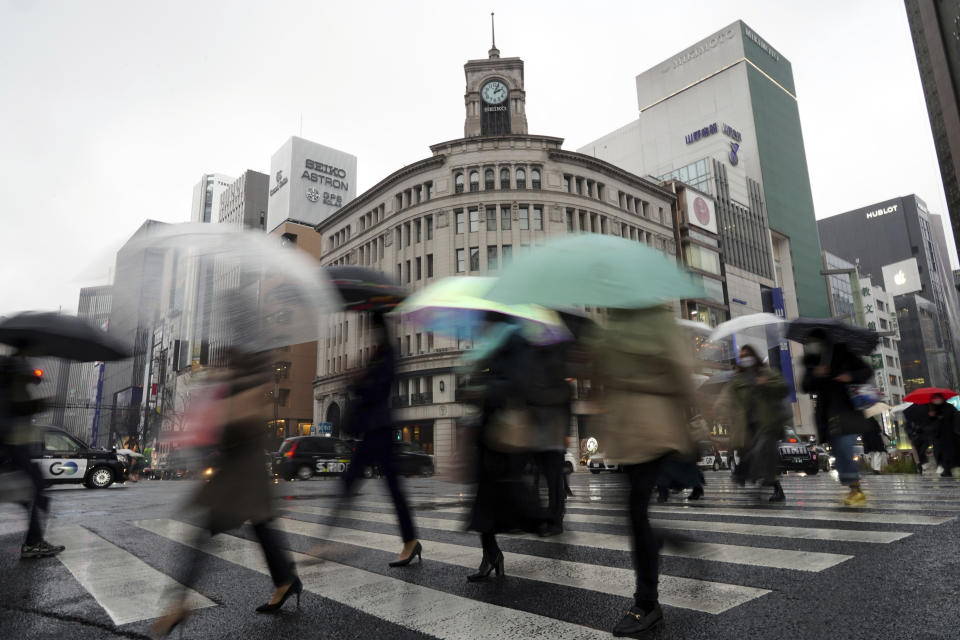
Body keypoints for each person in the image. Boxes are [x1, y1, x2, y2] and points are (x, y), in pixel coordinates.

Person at [151, 349, 300, 638]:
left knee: (206, 530)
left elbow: (242, 424)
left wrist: (221, 400)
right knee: (260, 526)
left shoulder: (251, 384)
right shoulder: (233, 383)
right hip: (237, 470)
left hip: (241, 474)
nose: (220, 364)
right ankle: (285, 579)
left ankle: (178, 602)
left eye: (226, 360)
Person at [589, 306, 697, 637]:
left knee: (635, 512)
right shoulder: (612, 326)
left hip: (654, 430)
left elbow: (681, 374)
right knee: (631, 515)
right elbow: (602, 376)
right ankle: (660, 540)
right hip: (626, 433)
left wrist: (635, 381)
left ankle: (647, 603)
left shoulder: (658, 322)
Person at [465, 313, 551, 582]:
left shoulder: (515, 340)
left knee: (503, 492)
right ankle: (492, 554)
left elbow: (517, 383)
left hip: (505, 430)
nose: (481, 326)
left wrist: (484, 389)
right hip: (490, 430)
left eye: (484, 321)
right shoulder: (491, 345)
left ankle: (539, 520)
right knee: (485, 498)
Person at [330, 311, 421, 566]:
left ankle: (410, 541)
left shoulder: (388, 353)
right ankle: (330, 536)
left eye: (372, 326)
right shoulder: (378, 354)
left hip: (378, 429)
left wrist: (359, 380)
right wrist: (359, 376)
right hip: (372, 430)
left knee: (387, 487)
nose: (369, 331)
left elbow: (378, 389)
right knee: (355, 481)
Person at [0, 355, 65, 560]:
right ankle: (34, 543)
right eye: (30, 376)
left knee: (33, 492)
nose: (33, 379)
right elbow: (8, 417)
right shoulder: (8, 386)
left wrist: (38, 404)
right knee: (35, 489)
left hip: (13, 448)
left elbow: (17, 409)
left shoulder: (11, 386)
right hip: (11, 448)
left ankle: (34, 541)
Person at [801, 332, 873, 506]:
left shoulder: (843, 353)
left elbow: (866, 371)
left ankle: (856, 491)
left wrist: (849, 376)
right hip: (828, 415)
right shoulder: (812, 361)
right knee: (839, 453)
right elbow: (805, 386)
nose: (811, 345)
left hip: (847, 409)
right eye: (808, 342)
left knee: (844, 448)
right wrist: (817, 374)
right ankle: (854, 489)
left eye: (814, 341)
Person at [716, 345, 789, 503]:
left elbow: (784, 388)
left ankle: (770, 485)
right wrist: (722, 412)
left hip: (767, 422)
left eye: (748, 355)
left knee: (763, 451)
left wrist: (766, 383)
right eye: (742, 356)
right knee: (756, 455)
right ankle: (756, 477)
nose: (745, 358)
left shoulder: (767, 373)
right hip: (746, 426)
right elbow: (726, 398)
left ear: (754, 356)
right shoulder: (737, 379)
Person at [922, 394, 960, 477]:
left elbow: (955, 418)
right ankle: (945, 469)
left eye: (938, 398)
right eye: (934, 398)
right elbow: (927, 424)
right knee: (940, 454)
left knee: (948, 454)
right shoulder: (930, 409)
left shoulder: (949, 408)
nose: (937, 400)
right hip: (937, 437)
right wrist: (931, 417)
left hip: (949, 435)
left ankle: (947, 470)